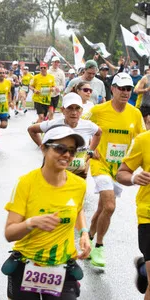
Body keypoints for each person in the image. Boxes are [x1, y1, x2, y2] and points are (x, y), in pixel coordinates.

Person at [4, 124, 90, 300]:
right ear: (43, 148)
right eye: (60, 148)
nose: (67, 155)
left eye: (72, 151)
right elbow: (9, 233)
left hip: (63, 266)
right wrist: (32, 223)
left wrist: (84, 233)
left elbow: (78, 209)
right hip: (26, 265)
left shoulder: (79, 185)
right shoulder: (25, 183)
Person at [82, 72, 146, 268]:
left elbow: (143, 141)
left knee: (103, 208)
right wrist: (89, 152)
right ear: (113, 89)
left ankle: (89, 237)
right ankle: (99, 246)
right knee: (109, 206)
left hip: (120, 170)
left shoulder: (135, 113)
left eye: (128, 89)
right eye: (122, 88)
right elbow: (78, 128)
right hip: (100, 164)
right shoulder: (99, 111)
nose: (126, 92)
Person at [28, 93, 101, 179]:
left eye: (77, 108)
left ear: (81, 110)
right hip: (56, 171)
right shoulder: (54, 124)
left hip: (79, 172)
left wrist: (90, 151)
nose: (74, 113)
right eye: (69, 108)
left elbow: (99, 133)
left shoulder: (88, 126)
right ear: (63, 110)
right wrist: (43, 148)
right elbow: (31, 130)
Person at [116, 130, 150, 298]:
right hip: (148, 215)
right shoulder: (144, 140)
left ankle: (144, 268)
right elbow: (122, 173)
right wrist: (134, 178)